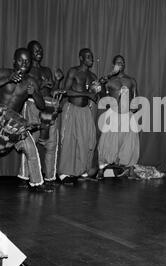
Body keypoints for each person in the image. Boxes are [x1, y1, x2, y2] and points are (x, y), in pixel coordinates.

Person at [0, 48, 51, 192]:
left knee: (31, 148)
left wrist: (34, 94)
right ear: (14, 61)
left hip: (14, 123)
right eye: (21, 60)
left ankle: (37, 183)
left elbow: (41, 105)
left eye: (27, 61)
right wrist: (7, 79)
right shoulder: (4, 73)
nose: (24, 63)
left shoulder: (31, 82)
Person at [18, 41, 64, 184]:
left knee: (51, 143)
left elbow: (50, 91)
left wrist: (57, 81)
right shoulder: (27, 70)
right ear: (30, 53)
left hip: (48, 106)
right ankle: (25, 177)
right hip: (33, 107)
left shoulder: (46, 70)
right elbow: (26, 89)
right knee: (30, 142)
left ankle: (50, 177)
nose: (39, 52)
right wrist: (41, 84)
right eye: (36, 50)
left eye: (41, 50)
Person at [58, 48, 98, 183]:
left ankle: (81, 171)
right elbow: (66, 91)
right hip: (72, 109)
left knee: (86, 140)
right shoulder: (73, 71)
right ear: (81, 58)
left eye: (91, 56)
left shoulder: (93, 76)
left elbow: (96, 94)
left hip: (85, 111)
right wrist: (87, 94)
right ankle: (64, 173)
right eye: (87, 56)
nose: (90, 58)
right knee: (70, 140)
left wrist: (97, 90)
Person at [97, 55, 140, 178]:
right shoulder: (109, 81)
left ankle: (130, 170)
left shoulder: (131, 81)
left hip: (128, 115)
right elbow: (102, 98)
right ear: (113, 65)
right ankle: (101, 170)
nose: (120, 64)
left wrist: (134, 106)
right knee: (107, 143)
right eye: (117, 62)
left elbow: (136, 99)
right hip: (113, 114)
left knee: (130, 143)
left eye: (122, 62)